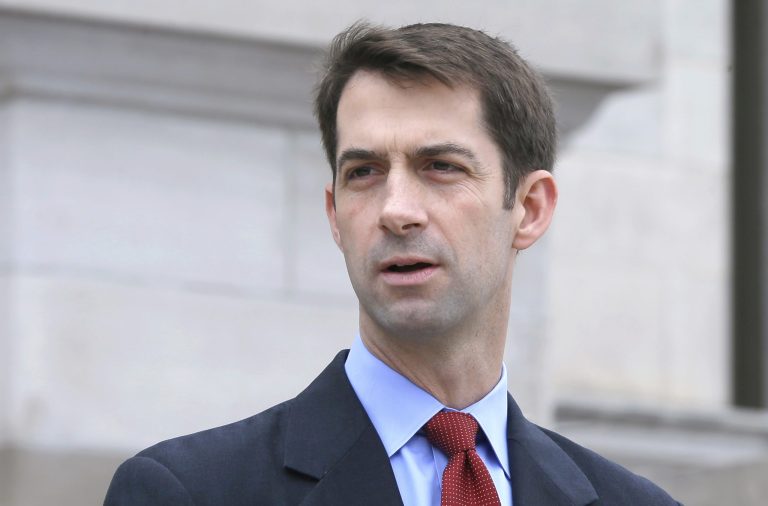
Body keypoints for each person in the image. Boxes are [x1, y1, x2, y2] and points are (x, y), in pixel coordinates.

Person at [104, 22, 681, 506]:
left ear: (529, 209)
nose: (395, 211)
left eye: (440, 167)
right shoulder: (189, 492)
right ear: (334, 215)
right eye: (364, 173)